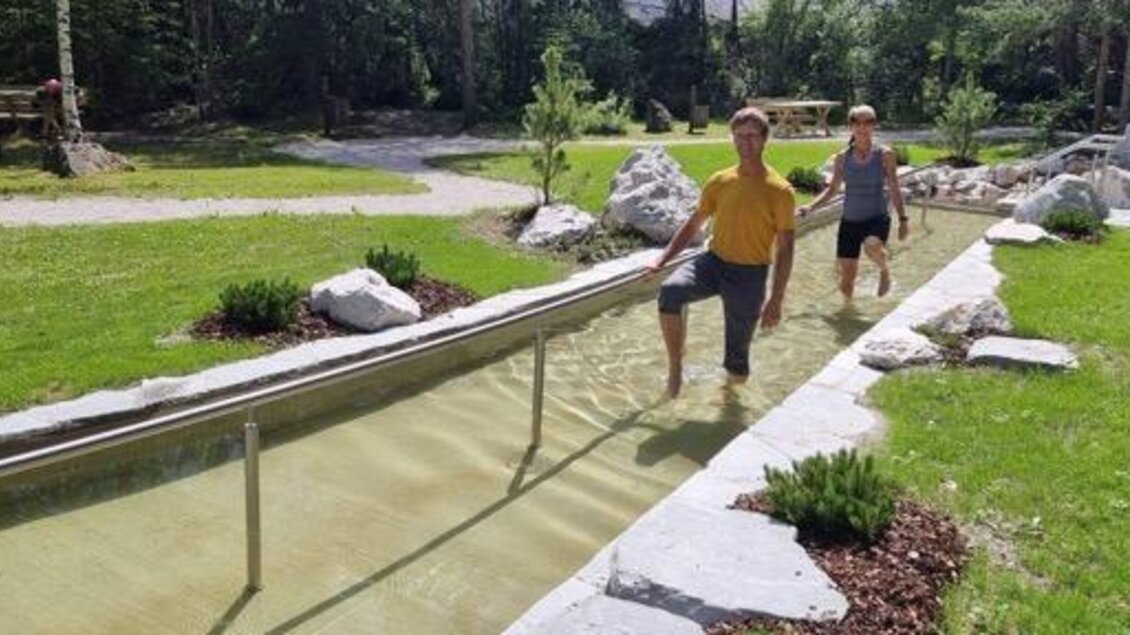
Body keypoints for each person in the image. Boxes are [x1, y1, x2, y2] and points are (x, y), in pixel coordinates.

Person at [647, 106, 796, 398]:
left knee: (737, 360)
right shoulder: (720, 181)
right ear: (732, 138)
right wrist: (661, 259)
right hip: (713, 264)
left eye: (752, 135)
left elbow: (786, 248)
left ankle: (730, 398)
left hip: (749, 276)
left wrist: (776, 299)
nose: (745, 142)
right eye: (739, 135)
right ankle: (676, 367)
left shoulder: (780, 191)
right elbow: (693, 224)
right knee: (670, 292)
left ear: (764, 139)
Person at [797, 104, 908, 301]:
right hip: (849, 222)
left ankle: (884, 270)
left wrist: (903, 219)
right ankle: (848, 309)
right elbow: (832, 190)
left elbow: (894, 187)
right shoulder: (842, 158)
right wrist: (810, 207)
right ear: (851, 125)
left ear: (874, 125)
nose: (862, 126)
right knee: (846, 280)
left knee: (871, 245)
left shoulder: (885, 155)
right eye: (857, 122)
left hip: (876, 218)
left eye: (868, 122)